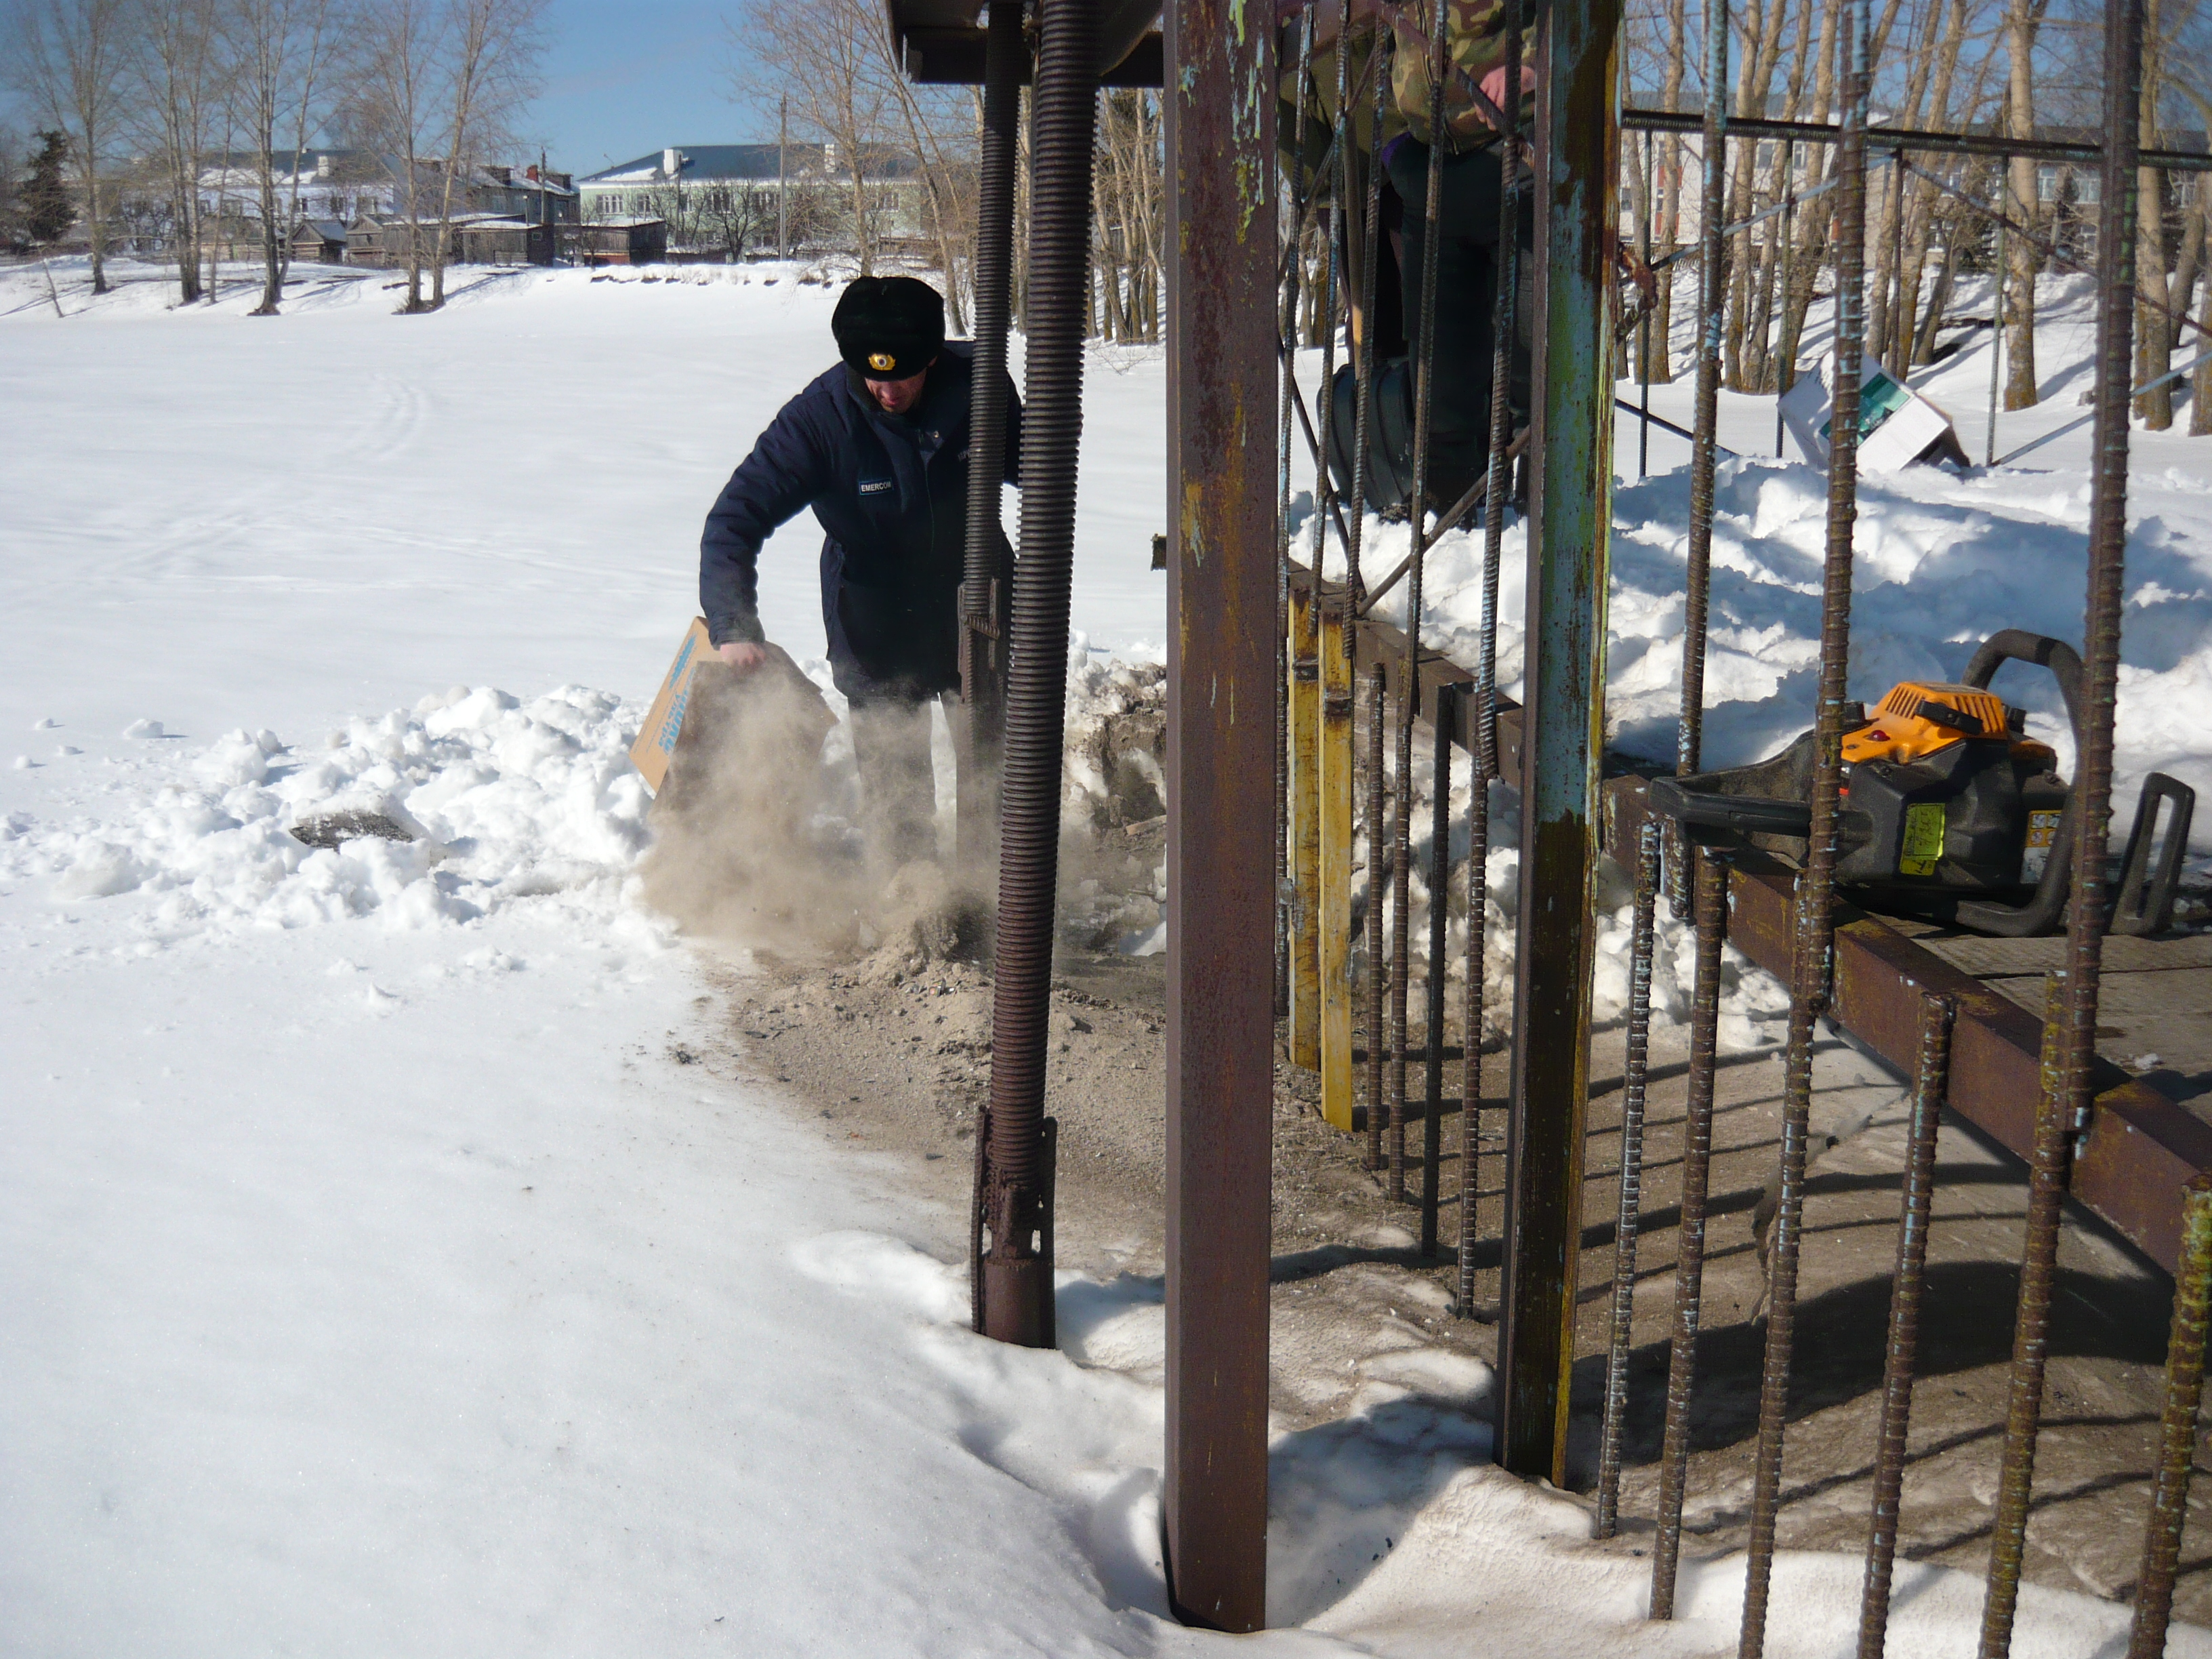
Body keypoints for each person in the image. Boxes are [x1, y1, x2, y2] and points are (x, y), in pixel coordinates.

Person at [699, 274, 1022, 870]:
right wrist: (733, 623)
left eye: (902, 375)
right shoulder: (819, 420)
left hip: (975, 596)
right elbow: (733, 519)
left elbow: (1037, 462)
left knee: (995, 767)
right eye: (873, 376)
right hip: (873, 613)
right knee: (895, 782)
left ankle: (998, 891)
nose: (887, 390)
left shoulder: (979, 384)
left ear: (931, 356)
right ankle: (913, 904)